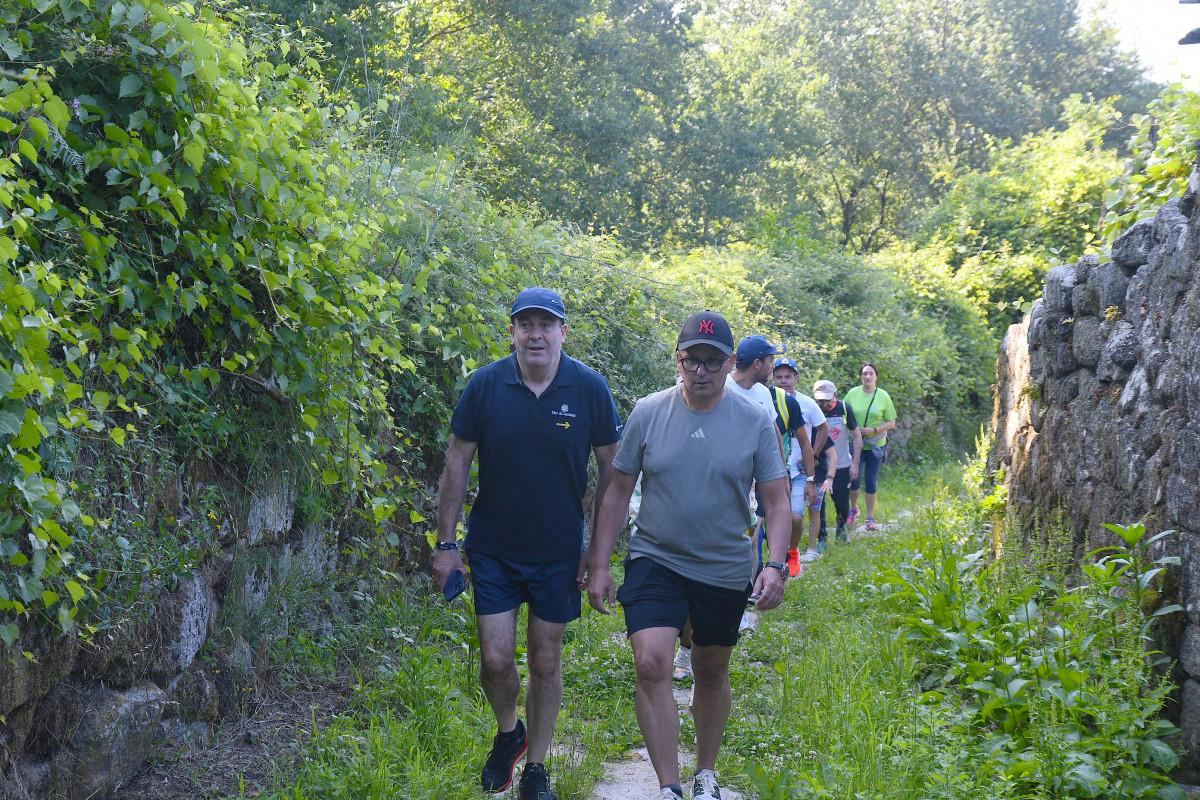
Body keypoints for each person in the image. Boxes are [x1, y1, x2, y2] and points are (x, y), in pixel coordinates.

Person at [578, 311, 792, 800]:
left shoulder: (755, 419)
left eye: (712, 362)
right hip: (657, 557)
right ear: (678, 359)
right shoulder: (649, 411)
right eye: (691, 359)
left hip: (724, 565)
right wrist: (601, 563)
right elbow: (615, 493)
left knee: (711, 669)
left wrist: (775, 565)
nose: (701, 371)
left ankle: (706, 773)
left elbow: (777, 500)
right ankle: (670, 785)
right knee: (651, 663)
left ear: (731, 362)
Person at [432, 288, 623, 800]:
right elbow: (457, 462)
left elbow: (614, 467)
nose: (535, 334)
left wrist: (597, 551)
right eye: (526, 324)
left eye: (546, 324)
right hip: (492, 546)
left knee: (545, 658)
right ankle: (509, 732)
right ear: (512, 330)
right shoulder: (486, 385)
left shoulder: (589, 389)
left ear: (563, 331)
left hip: (559, 549)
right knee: (495, 659)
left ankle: (535, 768)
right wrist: (446, 543)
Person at [771, 357, 828, 570]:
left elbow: (823, 428)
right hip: (775, 469)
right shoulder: (770, 399)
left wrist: (811, 455)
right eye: (779, 377)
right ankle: (776, 558)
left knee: (795, 516)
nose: (783, 381)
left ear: (795, 378)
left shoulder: (807, 403)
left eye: (787, 377)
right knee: (774, 516)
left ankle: (793, 553)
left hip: (799, 470)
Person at [843, 362, 897, 533]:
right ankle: (853, 508)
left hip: (876, 445)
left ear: (876, 376)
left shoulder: (883, 396)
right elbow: (841, 412)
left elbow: (891, 422)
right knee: (854, 478)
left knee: (871, 480)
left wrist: (874, 430)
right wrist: (852, 429)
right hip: (856, 444)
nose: (867, 376)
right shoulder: (853, 394)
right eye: (865, 373)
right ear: (861, 376)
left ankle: (870, 517)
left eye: (871, 373)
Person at [812, 380, 861, 543]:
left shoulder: (844, 408)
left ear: (835, 395)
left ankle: (841, 529)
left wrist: (855, 463)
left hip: (841, 464)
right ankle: (822, 539)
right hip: (819, 466)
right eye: (820, 400)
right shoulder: (812, 409)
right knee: (818, 506)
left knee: (841, 502)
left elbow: (857, 436)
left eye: (827, 400)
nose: (823, 404)